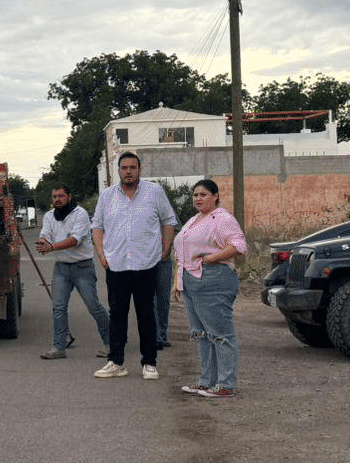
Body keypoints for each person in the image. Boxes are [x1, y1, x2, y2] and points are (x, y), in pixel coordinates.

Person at [90, 151, 177, 379]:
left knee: (146, 314)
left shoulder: (154, 192)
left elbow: (169, 220)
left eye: (133, 167)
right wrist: (101, 253)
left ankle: (149, 363)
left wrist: (166, 248)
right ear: (118, 171)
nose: (128, 171)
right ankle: (116, 362)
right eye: (124, 168)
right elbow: (97, 226)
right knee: (117, 314)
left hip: (146, 264)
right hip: (117, 264)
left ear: (139, 170)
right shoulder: (107, 196)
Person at [175, 178, 248, 399]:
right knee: (203, 334)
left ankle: (225, 385)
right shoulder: (194, 220)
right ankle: (207, 381)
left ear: (215, 196)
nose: (198, 198)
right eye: (195, 195)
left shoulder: (222, 218)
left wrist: (211, 258)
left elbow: (239, 245)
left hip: (214, 279)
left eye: (203, 194)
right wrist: (177, 283)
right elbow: (182, 253)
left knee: (221, 334)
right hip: (192, 281)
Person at [36, 183, 111, 360]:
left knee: (93, 306)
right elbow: (45, 234)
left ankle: (110, 343)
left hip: (82, 267)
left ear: (69, 197)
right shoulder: (49, 216)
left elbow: (75, 240)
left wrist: (51, 247)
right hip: (61, 268)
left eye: (61, 196)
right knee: (58, 308)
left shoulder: (81, 214)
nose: (57, 200)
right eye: (54, 197)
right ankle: (58, 347)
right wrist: (41, 242)